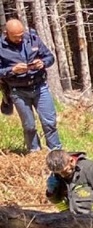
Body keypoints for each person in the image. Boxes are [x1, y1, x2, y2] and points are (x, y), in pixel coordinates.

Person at [0, 19, 60, 152]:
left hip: (40, 87)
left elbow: (50, 57)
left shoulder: (33, 39)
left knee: (49, 122)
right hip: (18, 91)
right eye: (16, 37)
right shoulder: (1, 48)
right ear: (6, 33)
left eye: (21, 35)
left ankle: (56, 152)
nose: (20, 39)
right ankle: (34, 152)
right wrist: (12, 70)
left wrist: (42, 63)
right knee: (29, 126)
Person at [45, 149, 93, 216]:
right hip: (73, 222)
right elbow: (59, 201)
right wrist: (52, 193)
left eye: (64, 172)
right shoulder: (57, 175)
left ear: (71, 161)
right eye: (59, 173)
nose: (62, 176)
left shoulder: (92, 169)